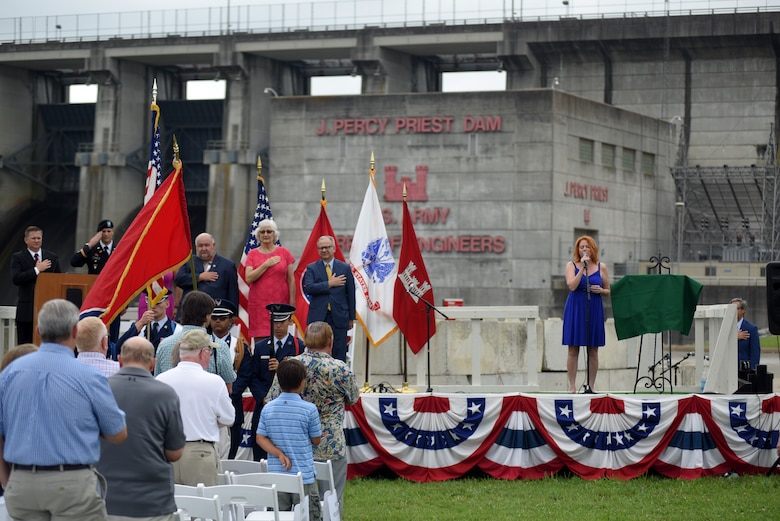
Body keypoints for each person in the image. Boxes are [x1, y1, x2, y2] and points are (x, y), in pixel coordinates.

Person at [0, 299, 127, 521]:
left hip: (21, 482)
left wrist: (7, 480)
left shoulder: (8, 375)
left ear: (38, 331)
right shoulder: (89, 376)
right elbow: (118, 434)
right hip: (71, 481)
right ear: (75, 331)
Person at [268, 321, 359, 509]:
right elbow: (353, 398)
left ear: (305, 341)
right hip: (330, 442)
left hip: (294, 441)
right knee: (332, 500)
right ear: (330, 342)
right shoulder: (340, 368)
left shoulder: (289, 365)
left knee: (297, 501)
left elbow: (271, 399)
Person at [98, 336, 186, 521]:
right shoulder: (166, 394)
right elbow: (175, 452)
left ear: (120, 360)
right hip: (152, 500)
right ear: (153, 363)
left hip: (107, 497)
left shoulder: (100, 389)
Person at [156, 329, 234, 486]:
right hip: (200, 453)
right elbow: (229, 418)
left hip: (166, 452)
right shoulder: (214, 382)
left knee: (169, 508)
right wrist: (208, 419)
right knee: (203, 507)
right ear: (203, 352)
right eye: (210, 352)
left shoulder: (161, 380)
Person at [234, 303, 305, 461]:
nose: (278, 326)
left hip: (288, 404)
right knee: (261, 449)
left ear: (290, 321)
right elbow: (253, 376)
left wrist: (282, 368)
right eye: (275, 322)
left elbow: (301, 376)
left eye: (282, 322)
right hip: (265, 404)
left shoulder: (298, 346)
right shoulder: (261, 347)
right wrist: (263, 398)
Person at [257, 359, 322, 521]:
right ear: (302, 382)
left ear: (278, 381)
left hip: (277, 476)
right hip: (304, 475)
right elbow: (316, 440)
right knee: (310, 516)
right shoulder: (309, 409)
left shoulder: (268, 408)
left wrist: (278, 453)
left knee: (278, 516)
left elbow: (260, 437)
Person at [154, 291, 236, 393]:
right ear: (207, 316)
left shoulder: (164, 345)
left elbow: (157, 380)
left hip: (170, 406)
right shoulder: (220, 346)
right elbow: (228, 387)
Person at [562, 235, 610, 394]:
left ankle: (591, 385)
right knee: (573, 348)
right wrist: (582, 268)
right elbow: (572, 286)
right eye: (581, 247)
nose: (584, 249)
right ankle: (572, 386)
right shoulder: (571, 265)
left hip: (594, 306)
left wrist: (601, 291)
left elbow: (608, 290)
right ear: (578, 249)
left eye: (587, 247)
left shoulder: (601, 266)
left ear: (592, 249)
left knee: (593, 349)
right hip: (576, 306)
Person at [302, 235, 355, 362]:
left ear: (334, 248)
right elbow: (309, 288)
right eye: (321, 248)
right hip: (319, 316)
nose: (324, 250)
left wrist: (351, 317)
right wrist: (329, 284)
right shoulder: (312, 268)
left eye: (327, 247)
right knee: (316, 350)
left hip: (339, 317)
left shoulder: (345, 268)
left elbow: (351, 294)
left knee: (339, 351)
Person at [245, 219, 296, 342]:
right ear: (258, 235)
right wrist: (266, 265)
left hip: (280, 304)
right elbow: (248, 277)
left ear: (275, 234)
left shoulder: (284, 252)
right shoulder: (252, 254)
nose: (266, 234)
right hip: (259, 306)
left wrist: (292, 305)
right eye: (262, 232)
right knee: (261, 343)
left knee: (281, 338)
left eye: (269, 231)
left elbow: (291, 280)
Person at [10, 225, 61, 344]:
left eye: (39, 238)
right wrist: (36, 270)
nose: (37, 241)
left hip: (47, 311)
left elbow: (58, 279)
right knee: (24, 346)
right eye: (33, 238)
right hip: (26, 311)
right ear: (26, 240)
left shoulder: (52, 257)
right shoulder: (18, 257)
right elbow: (16, 279)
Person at [175, 232, 239, 309]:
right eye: (200, 246)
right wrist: (199, 277)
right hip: (191, 311)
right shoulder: (189, 262)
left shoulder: (227, 265)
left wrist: (234, 313)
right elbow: (179, 280)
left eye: (207, 245)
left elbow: (233, 292)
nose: (204, 249)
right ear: (196, 247)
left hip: (217, 312)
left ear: (213, 245)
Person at [731, 297, 760, 371]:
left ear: (743, 310)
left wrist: (753, 371)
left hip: (743, 370)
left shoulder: (751, 328)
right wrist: (734, 337)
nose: (733, 311)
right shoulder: (724, 327)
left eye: (736, 308)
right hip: (728, 369)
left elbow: (755, 352)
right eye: (731, 309)